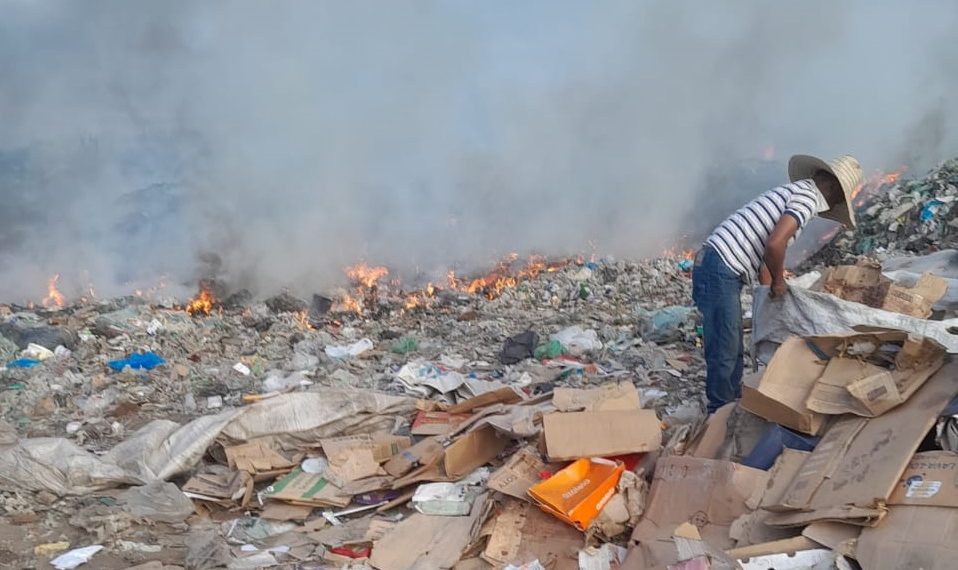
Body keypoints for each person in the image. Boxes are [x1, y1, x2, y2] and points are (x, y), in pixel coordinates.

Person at [692, 154, 864, 413]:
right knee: (725, 345)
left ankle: (732, 404)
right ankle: (719, 414)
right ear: (831, 189)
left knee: (733, 342)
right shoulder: (807, 199)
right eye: (838, 199)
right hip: (719, 266)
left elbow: (765, 264)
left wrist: (770, 297)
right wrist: (780, 283)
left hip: (719, 266)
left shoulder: (796, 192)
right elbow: (775, 245)